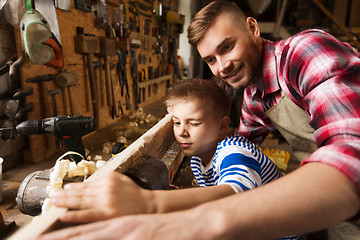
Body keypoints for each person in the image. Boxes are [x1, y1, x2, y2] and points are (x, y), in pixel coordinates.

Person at [34, 1, 359, 239]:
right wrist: (181, 194)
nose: (222, 67)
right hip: (334, 209)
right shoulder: (254, 97)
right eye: (210, 60)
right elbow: (236, 152)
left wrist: (156, 206)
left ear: (253, 27)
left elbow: (351, 157)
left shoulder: (303, 52)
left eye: (227, 47)